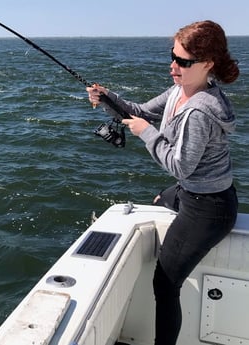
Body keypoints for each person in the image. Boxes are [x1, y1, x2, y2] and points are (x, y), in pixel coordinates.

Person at [86, 20, 239, 345]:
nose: (173, 66)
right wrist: (106, 96)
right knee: (159, 200)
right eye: (173, 57)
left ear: (207, 64)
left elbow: (180, 166)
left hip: (209, 209)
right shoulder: (179, 91)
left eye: (182, 62)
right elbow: (140, 111)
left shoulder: (200, 112)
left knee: (165, 284)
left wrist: (146, 133)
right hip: (193, 193)